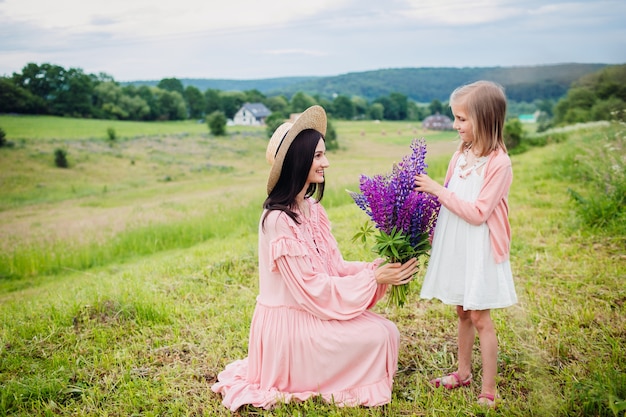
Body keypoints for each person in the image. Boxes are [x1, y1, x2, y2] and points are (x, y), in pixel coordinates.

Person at [211, 105, 419, 411]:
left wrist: (376, 267)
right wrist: (372, 279)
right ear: (299, 160)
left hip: (310, 311)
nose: (327, 163)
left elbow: (334, 267)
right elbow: (311, 288)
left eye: (324, 154)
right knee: (377, 336)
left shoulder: (312, 208)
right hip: (290, 325)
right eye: (319, 156)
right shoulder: (277, 220)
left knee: (387, 331)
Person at [414, 81, 518, 409]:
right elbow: (450, 195)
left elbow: (477, 213)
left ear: (484, 120)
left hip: (480, 245)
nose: (456, 126)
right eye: (455, 118)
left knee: (480, 317)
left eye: (462, 119)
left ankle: (490, 389)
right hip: (457, 242)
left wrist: (437, 190)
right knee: (461, 311)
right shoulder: (462, 154)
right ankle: (463, 372)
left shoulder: (499, 163)